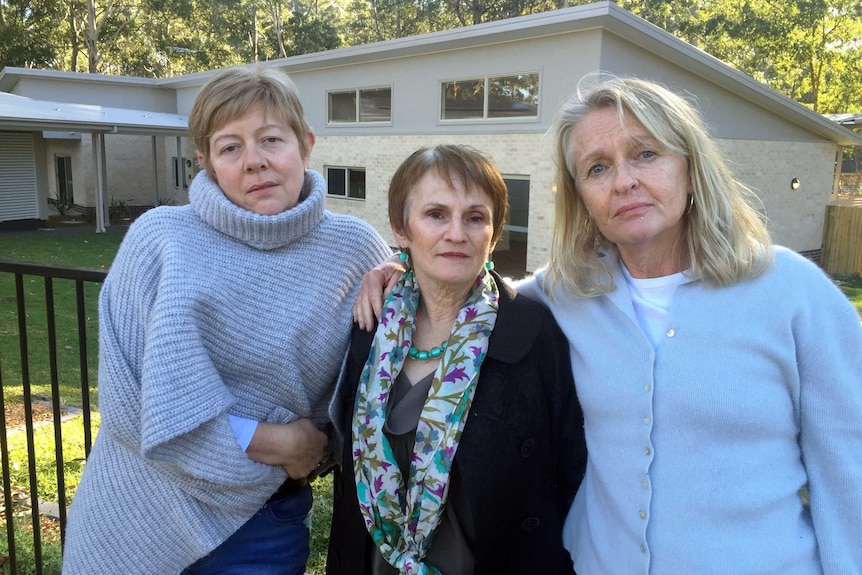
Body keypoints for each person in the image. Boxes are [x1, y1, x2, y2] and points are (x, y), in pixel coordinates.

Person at [353, 76, 862, 573]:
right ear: (582, 197)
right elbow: (476, 292)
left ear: (690, 166)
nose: (624, 181)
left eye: (646, 154)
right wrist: (404, 275)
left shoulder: (793, 294)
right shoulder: (564, 296)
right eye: (598, 168)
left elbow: (849, 475)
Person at [62, 64, 391, 575]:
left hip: (261, 528)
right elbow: (130, 408)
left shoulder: (356, 253)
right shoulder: (160, 241)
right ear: (208, 163)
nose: (254, 161)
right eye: (230, 147)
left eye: (270, 140)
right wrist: (275, 441)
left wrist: (403, 272)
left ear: (305, 144)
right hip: (135, 513)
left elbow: (367, 393)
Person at [326, 144, 586, 575]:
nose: (456, 233)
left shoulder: (534, 330)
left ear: (494, 233)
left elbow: (571, 470)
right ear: (401, 229)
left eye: (475, 217)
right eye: (435, 215)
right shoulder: (371, 322)